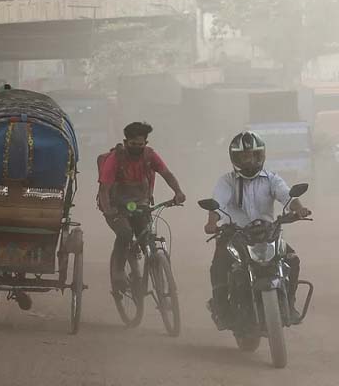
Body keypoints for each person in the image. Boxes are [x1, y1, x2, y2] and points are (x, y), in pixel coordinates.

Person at [204, 131, 311, 329]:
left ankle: (289, 304)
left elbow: (287, 197)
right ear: (235, 158)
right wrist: (212, 223)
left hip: (267, 233)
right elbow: (217, 205)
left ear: (260, 155)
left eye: (253, 155)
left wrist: (299, 209)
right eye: (244, 156)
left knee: (292, 259)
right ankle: (222, 310)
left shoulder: (271, 178)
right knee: (219, 266)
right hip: (234, 234)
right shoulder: (227, 181)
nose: (249, 160)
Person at [98, 122, 186, 287]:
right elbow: (104, 189)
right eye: (132, 145)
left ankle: (153, 265)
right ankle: (118, 270)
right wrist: (109, 211)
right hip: (115, 206)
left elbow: (166, 174)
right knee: (124, 233)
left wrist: (178, 192)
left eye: (140, 145)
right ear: (125, 143)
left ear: (145, 143)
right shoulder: (115, 159)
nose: (136, 148)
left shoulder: (149, 156)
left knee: (146, 236)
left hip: (141, 204)